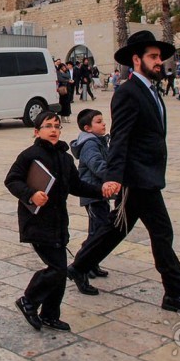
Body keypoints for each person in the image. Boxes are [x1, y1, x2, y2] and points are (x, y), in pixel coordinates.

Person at [67, 30, 180, 317]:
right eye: (153, 57)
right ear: (137, 59)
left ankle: (79, 266)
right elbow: (120, 138)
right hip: (136, 177)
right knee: (161, 231)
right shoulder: (127, 92)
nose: (160, 62)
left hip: (144, 174)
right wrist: (113, 176)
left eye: (160, 57)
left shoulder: (149, 89)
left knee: (116, 228)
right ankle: (175, 293)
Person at [5, 111, 101, 331]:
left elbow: (77, 186)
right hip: (37, 222)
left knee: (57, 271)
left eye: (57, 126)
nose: (54, 130)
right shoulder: (30, 155)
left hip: (58, 222)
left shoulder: (65, 158)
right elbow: (12, 180)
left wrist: (102, 191)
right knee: (57, 269)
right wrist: (30, 194)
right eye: (48, 126)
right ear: (37, 131)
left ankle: (49, 314)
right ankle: (28, 299)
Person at [69, 108, 110, 289]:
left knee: (98, 229)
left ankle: (91, 264)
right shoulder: (90, 144)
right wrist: (114, 177)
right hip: (92, 192)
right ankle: (81, 266)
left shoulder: (98, 141)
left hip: (99, 193)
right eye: (99, 121)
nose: (103, 124)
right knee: (98, 232)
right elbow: (98, 166)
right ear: (87, 128)